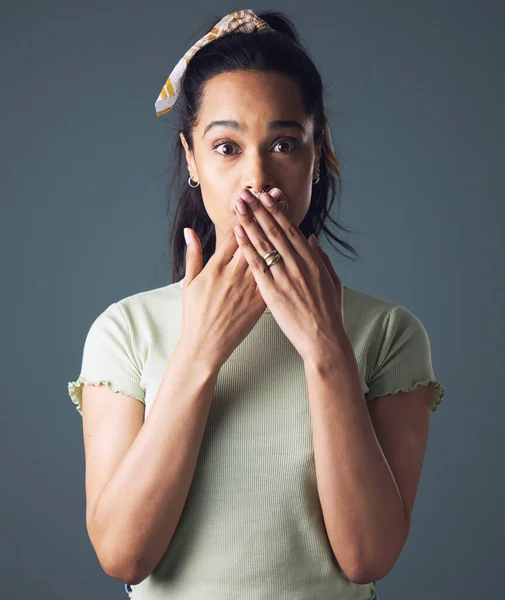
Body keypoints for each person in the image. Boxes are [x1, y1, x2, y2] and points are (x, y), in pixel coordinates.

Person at [67, 9, 445, 600]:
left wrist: (326, 348)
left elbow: (368, 558)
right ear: (191, 160)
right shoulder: (127, 330)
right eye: (225, 146)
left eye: (285, 144)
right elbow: (123, 555)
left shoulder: (388, 333)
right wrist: (199, 351)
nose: (258, 176)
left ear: (317, 158)